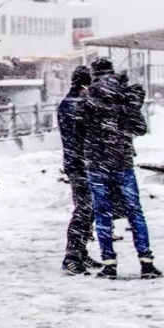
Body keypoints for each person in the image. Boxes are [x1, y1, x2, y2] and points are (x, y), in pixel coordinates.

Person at [82, 58, 162, 279]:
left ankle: (109, 264)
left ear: (94, 73)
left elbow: (80, 129)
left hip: (97, 163)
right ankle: (146, 262)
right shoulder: (124, 95)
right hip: (122, 161)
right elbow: (140, 128)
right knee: (135, 211)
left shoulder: (87, 97)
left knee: (102, 213)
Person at [57, 66, 102, 275]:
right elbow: (81, 135)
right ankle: (72, 256)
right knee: (84, 209)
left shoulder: (71, 103)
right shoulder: (75, 105)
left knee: (87, 208)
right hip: (80, 164)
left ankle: (80, 251)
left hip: (79, 163)